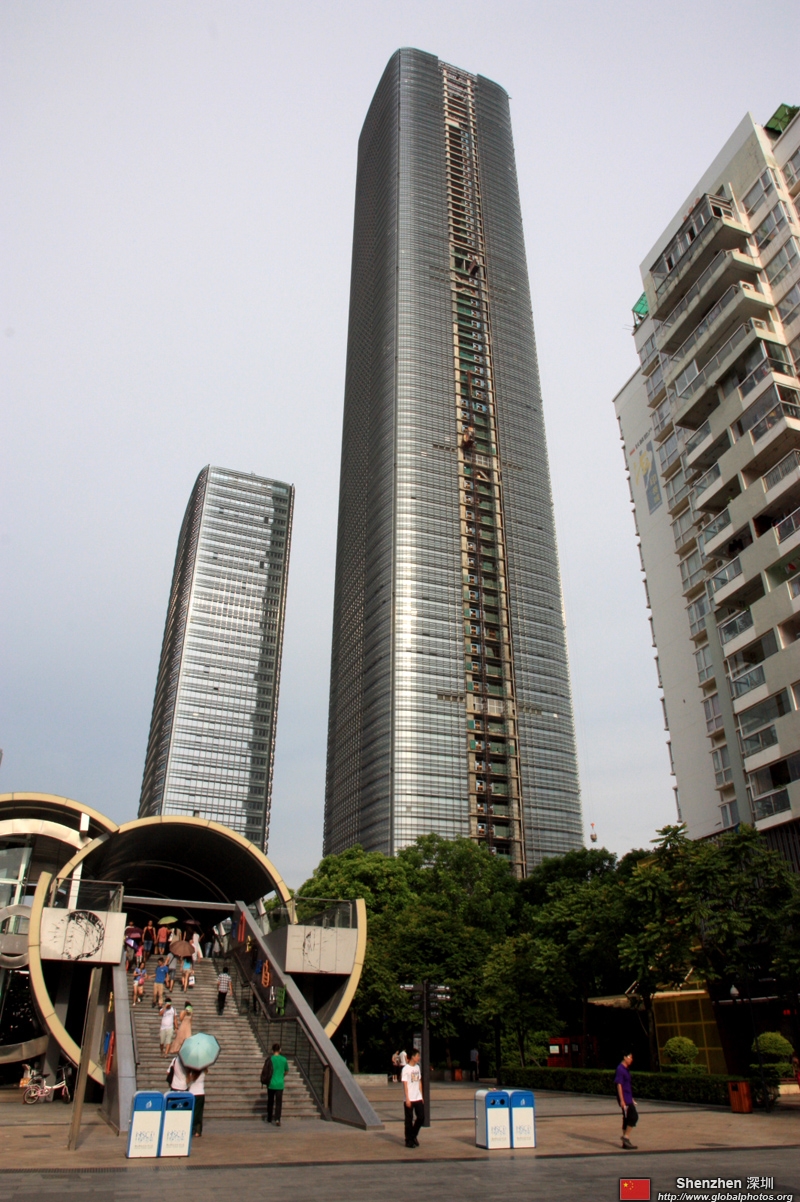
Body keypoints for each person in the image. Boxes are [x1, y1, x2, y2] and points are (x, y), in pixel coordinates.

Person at [170, 1057, 207, 1137]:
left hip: (192, 1094)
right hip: (201, 1093)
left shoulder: (192, 1074)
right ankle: (198, 1131)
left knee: (191, 1112)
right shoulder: (204, 1071)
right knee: (199, 1113)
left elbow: (187, 1081)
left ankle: (190, 1128)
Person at [614, 1050, 638, 1149]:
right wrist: (622, 1100)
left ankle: (625, 1144)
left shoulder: (626, 1069)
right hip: (624, 1098)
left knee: (626, 1118)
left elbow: (627, 1085)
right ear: (624, 1057)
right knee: (634, 1116)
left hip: (628, 1097)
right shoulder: (620, 1069)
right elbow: (619, 1085)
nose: (631, 1059)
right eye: (630, 1057)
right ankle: (626, 1137)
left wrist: (631, 1098)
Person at [402, 1049, 424, 1148]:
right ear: (413, 1057)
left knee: (421, 1117)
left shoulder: (417, 1067)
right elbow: (405, 1084)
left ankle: (413, 1135)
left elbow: (419, 1082)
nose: (419, 1058)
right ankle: (408, 1140)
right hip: (409, 1097)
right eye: (417, 1056)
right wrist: (407, 1098)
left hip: (417, 1097)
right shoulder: (405, 1069)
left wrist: (421, 1096)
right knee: (409, 1120)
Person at [263, 1042, 288, 1126]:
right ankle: (277, 1119)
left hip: (271, 1084)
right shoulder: (284, 1059)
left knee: (270, 1101)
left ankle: (269, 1117)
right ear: (280, 1050)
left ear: (273, 1050)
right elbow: (286, 1070)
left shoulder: (270, 1059)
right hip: (280, 1084)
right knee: (278, 1103)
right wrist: (282, 1075)